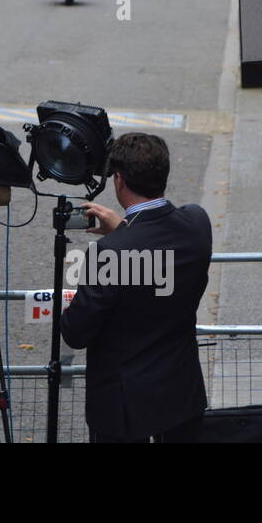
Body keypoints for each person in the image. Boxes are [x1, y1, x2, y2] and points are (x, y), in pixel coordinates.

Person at [61, 133, 212, 443]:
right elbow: (156, 261)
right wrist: (124, 229)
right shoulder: (198, 224)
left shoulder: (110, 252)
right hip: (180, 394)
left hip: (124, 406)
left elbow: (76, 332)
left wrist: (121, 234)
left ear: (119, 180)